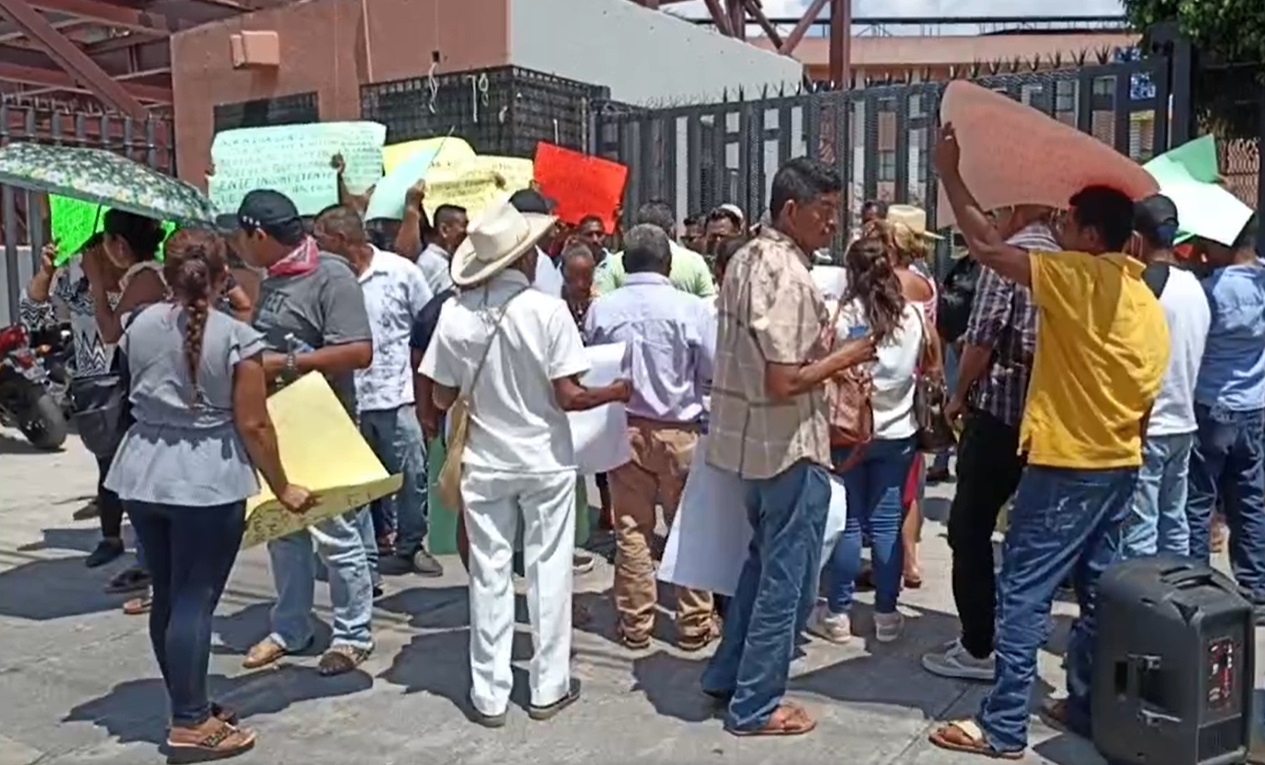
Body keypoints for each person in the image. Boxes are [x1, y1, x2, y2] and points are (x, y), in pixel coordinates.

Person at [927, 124, 1168, 759]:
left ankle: (1003, 724)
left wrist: (950, 171)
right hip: (1119, 465)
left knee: (1024, 589)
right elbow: (1144, 403)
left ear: (1092, 237)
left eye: (1067, 221)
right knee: (1095, 591)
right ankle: (1087, 703)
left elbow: (983, 246)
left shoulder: (1077, 278)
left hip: (1067, 466)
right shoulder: (1143, 299)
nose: (1057, 228)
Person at [105, 228, 314, 761]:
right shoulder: (237, 339)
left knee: (170, 595)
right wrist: (284, 485)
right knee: (196, 600)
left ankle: (188, 704)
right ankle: (191, 722)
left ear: (168, 275)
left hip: (143, 470)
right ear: (223, 277)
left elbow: (131, 389)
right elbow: (254, 424)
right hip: (205, 477)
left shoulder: (137, 325)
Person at [420, 199, 631, 727]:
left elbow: (441, 397)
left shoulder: (454, 314)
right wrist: (614, 392)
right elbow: (567, 394)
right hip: (544, 460)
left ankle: (489, 693)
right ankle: (547, 686)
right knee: (548, 571)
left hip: (485, 461)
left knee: (488, 574)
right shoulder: (547, 311)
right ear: (524, 257)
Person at [702, 157, 877, 737]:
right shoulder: (788, 273)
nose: (833, 224)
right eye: (825, 212)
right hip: (787, 445)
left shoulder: (744, 257)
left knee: (760, 568)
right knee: (786, 582)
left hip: (749, 445)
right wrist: (849, 356)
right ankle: (754, 705)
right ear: (790, 211)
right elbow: (783, 381)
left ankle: (728, 677)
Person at [220, 190, 378, 676]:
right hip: (278, 422)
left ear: (259, 235)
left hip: (322, 422)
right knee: (283, 530)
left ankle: (353, 634)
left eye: (240, 236)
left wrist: (283, 363)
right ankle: (291, 626)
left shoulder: (330, 275)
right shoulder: (275, 278)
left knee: (335, 531)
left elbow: (358, 352)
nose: (238, 245)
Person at [920, 205, 1059, 682]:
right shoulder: (1066, 257)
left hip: (1001, 409)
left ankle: (978, 645)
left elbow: (981, 337)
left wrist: (957, 396)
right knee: (1029, 533)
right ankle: (1022, 628)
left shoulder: (1011, 260)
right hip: (1047, 414)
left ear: (1020, 209)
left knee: (969, 528)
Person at [584, 223, 717, 651]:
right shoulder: (693, 309)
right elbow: (712, 370)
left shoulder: (603, 310)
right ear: (669, 262)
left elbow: (591, 364)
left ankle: (636, 622)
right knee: (689, 527)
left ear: (623, 262)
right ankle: (694, 621)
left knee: (632, 530)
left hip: (625, 430)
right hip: (681, 431)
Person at [812, 233, 933, 645]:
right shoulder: (913, 316)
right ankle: (886, 613)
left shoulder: (842, 314)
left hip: (849, 432)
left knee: (848, 523)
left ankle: (839, 613)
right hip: (898, 433)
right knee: (886, 523)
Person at [313, 205, 443, 577]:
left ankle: (411, 544)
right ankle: (365, 560)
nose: (315, 247)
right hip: (347, 398)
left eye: (320, 240)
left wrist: (427, 395)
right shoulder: (324, 279)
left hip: (397, 393)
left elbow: (426, 327)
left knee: (411, 474)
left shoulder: (400, 272)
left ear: (340, 240)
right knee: (356, 486)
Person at [1120, 195, 1209, 559]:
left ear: (1137, 239)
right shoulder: (1196, 289)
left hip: (1148, 425)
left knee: (1140, 528)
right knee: (1175, 522)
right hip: (1183, 424)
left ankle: (1144, 607)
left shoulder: (1144, 289)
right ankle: (1175, 597)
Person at [1185, 214, 1265, 606]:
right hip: (1253, 406)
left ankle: (1198, 583)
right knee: (1249, 498)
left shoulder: (1209, 291)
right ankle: (1256, 586)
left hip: (1211, 405)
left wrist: (1198, 264)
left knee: (1199, 499)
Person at [593, 200, 716, 299]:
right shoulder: (694, 262)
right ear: (672, 229)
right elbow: (709, 307)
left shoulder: (615, 262)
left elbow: (602, 301)